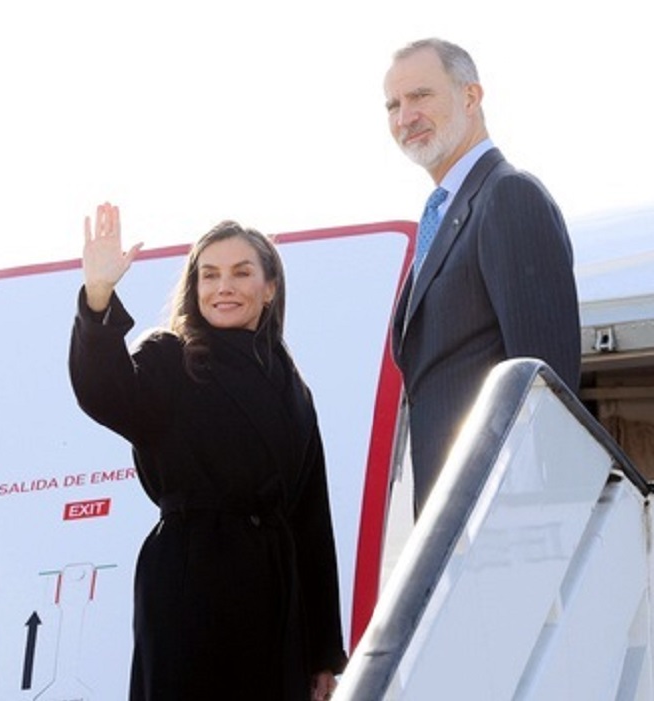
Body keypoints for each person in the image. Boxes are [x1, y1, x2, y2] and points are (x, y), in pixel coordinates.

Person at [68, 203, 347, 701]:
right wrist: (98, 295)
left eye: (242, 273)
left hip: (273, 597)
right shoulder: (170, 358)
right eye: (210, 275)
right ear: (195, 289)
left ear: (269, 287)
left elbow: (311, 521)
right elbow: (103, 391)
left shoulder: (294, 389)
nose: (224, 287)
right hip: (188, 584)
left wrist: (322, 651)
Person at [383, 38, 581, 515]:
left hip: (500, 510)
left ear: (471, 97)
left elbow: (545, 381)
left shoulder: (508, 196)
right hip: (449, 507)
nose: (404, 116)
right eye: (393, 104)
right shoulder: (444, 212)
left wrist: (533, 514)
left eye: (420, 96)